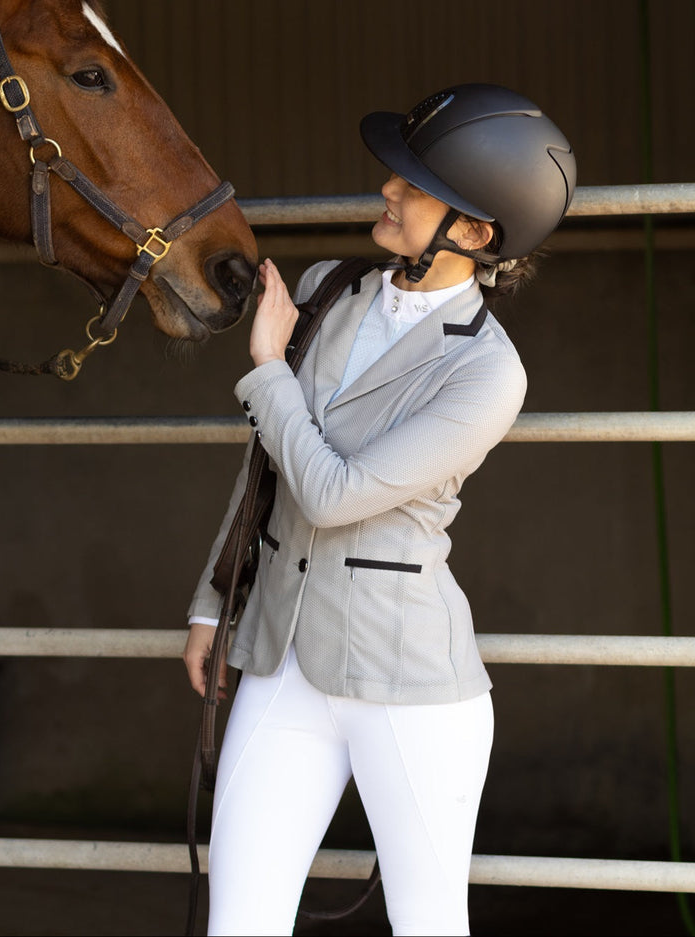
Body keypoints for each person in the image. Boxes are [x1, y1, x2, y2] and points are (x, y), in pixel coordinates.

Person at [183, 82, 576, 937]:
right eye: (394, 175)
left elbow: (332, 495)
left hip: (412, 686)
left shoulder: (486, 374)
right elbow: (270, 466)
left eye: (412, 185)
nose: (387, 191)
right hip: (281, 654)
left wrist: (265, 369)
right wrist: (216, 602)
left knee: (428, 924)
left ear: (474, 232)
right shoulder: (328, 289)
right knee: (239, 922)